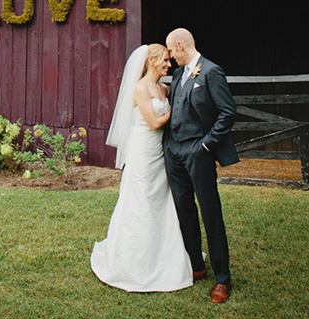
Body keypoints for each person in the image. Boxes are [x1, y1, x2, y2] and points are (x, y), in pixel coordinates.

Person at [90, 44, 193, 292]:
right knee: (140, 198)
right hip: (142, 150)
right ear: (150, 60)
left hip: (160, 152)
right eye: (165, 61)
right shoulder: (140, 88)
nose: (169, 65)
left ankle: (163, 253)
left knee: (160, 198)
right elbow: (155, 122)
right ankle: (132, 260)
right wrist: (177, 109)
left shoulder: (163, 88)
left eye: (170, 60)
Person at [164, 28, 239, 304]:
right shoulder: (177, 75)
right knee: (184, 209)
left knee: (210, 212)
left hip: (199, 151)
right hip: (174, 152)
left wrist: (206, 145)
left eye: (171, 51)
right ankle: (197, 265)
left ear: (180, 45)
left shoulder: (211, 72)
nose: (170, 57)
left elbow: (227, 112)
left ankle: (223, 278)